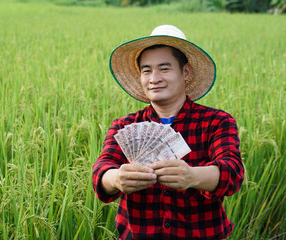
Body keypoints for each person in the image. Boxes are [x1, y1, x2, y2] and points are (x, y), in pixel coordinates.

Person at [92, 25, 244, 239]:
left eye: (164, 69)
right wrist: (116, 178)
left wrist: (192, 176)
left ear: (186, 72)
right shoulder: (124, 126)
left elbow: (233, 172)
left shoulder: (216, 122)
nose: (154, 78)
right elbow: (101, 169)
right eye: (146, 70)